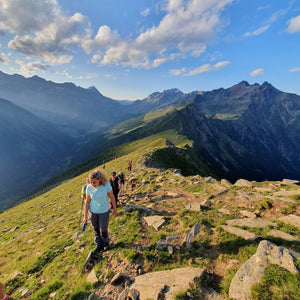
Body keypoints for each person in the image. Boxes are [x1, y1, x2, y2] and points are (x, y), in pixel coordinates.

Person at [83, 169, 117, 252]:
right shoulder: (89, 187)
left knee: (103, 230)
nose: (92, 184)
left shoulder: (106, 186)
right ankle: (98, 245)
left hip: (104, 211)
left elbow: (112, 197)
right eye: (91, 182)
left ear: (99, 179)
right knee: (96, 229)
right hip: (93, 212)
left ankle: (106, 244)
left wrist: (114, 209)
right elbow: (87, 202)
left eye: (94, 182)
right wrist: (85, 216)